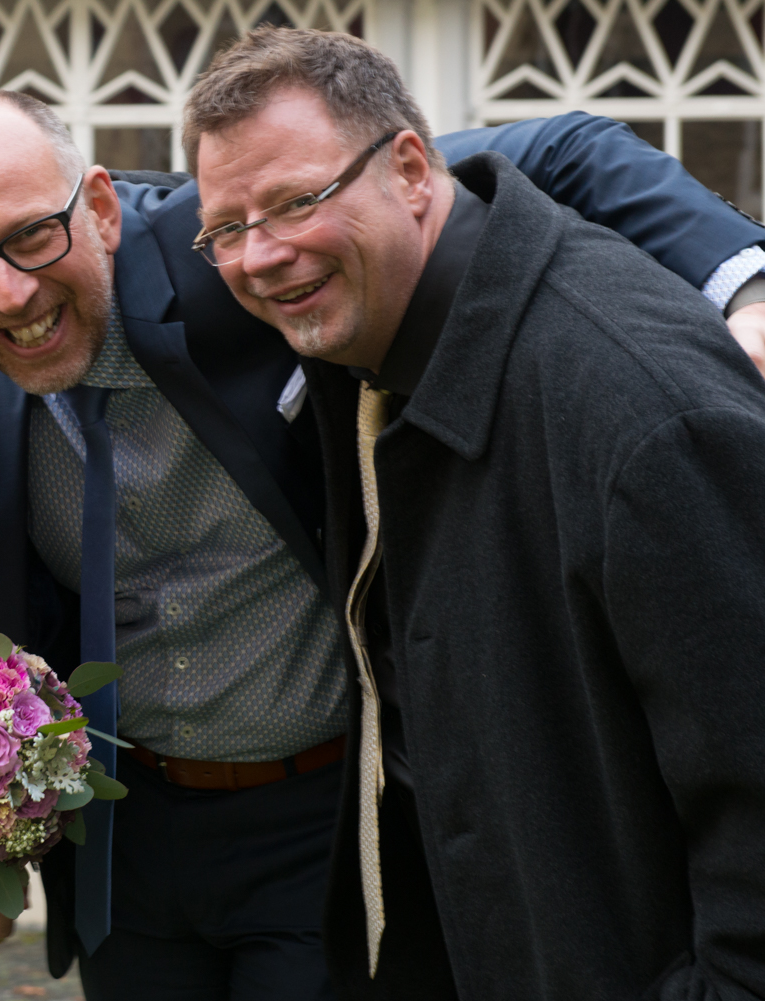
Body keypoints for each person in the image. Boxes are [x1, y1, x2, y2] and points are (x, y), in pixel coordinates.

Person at [0, 90, 765, 999]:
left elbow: (566, 147)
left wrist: (747, 292)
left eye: (35, 237)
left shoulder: (239, 239)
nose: (9, 290)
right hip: (126, 848)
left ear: (101, 208)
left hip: (324, 820)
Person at [187, 25, 765, 1000]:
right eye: (226, 229)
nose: (261, 255)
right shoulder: (362, 341)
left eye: (295, 201)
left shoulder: (644, 412)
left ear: (413, 169)